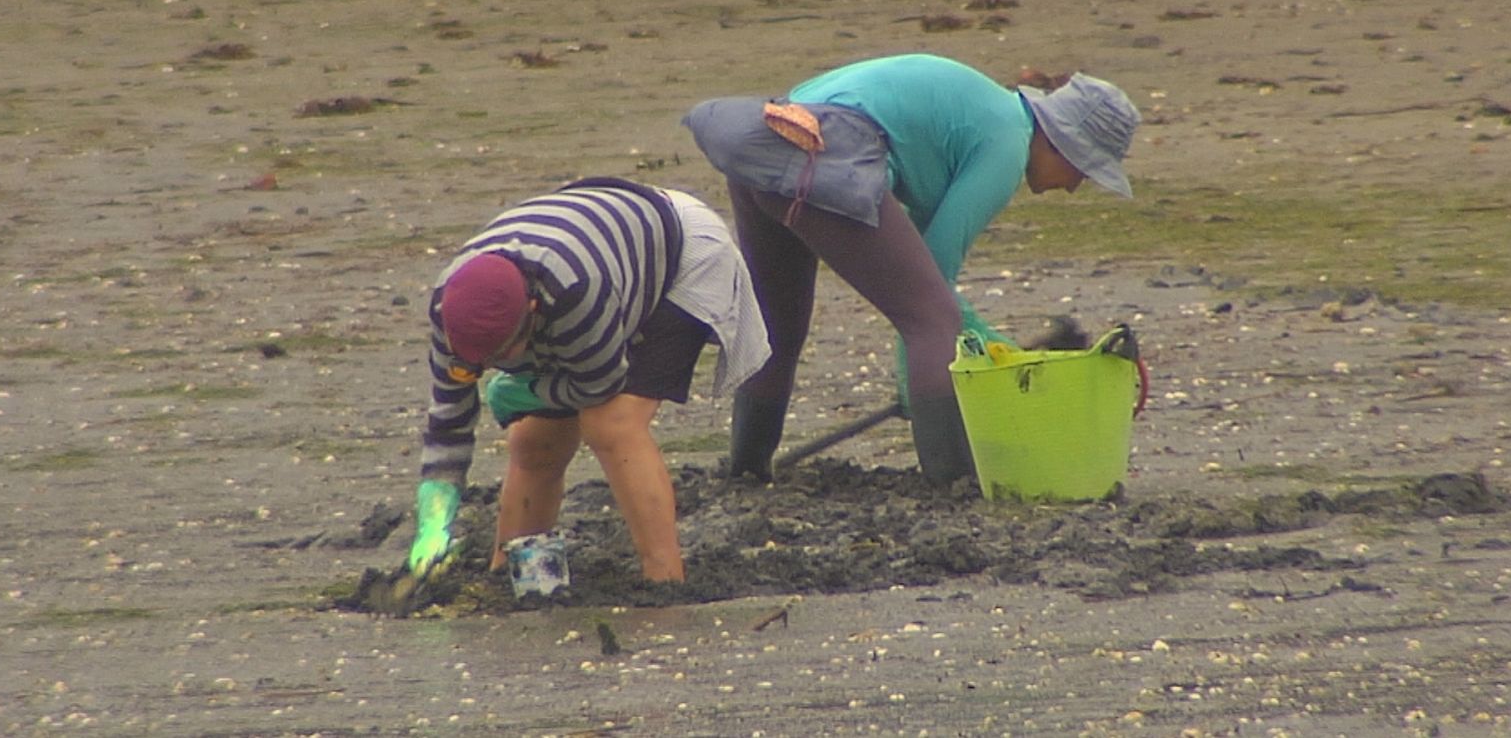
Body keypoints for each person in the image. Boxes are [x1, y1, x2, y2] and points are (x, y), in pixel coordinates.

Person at [684, 53, 1140, 485]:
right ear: (1062, 144)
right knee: (932, 319)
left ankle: (746, 471)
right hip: (823, 156)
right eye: (1084, 171)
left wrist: (933, 368)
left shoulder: (976, 113)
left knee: (777, 328)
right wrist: (993, 362)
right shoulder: (1008, 142)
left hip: (764, 144)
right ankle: (952, 487)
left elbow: (915, 260)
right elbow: (935, 286)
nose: (1076, 188)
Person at [407, 177, 769, 583]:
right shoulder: (450, 309)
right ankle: (518, 577)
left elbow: (599, 385)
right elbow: (448, 423)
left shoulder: (576, 293)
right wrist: (432, 523)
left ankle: (665, 581)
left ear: (532, 310)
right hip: (602, 242)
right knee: (533, 440)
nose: (489, 366)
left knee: (612, 423)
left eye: (501, 357)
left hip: (681, 254)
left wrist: (529, 391)